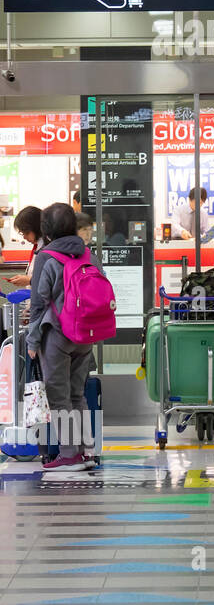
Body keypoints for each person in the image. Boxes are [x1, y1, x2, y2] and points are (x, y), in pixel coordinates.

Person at [28, 203, 106, 473]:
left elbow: (39, 302)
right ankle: (87, 451)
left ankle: (68, 454)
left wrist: (32, 341)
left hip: (58, 335)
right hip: (86, 334)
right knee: (78, 394)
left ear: (46, 230)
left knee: (58, 396)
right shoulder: (88, 254)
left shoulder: (46, 257)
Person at [9, 205, 43, 291]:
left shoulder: (49, 250)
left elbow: (53, 281)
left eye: (26, 233)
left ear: (36, 228)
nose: (24, 237)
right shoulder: (37, 247)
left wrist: (29, 280)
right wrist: (26, 279)